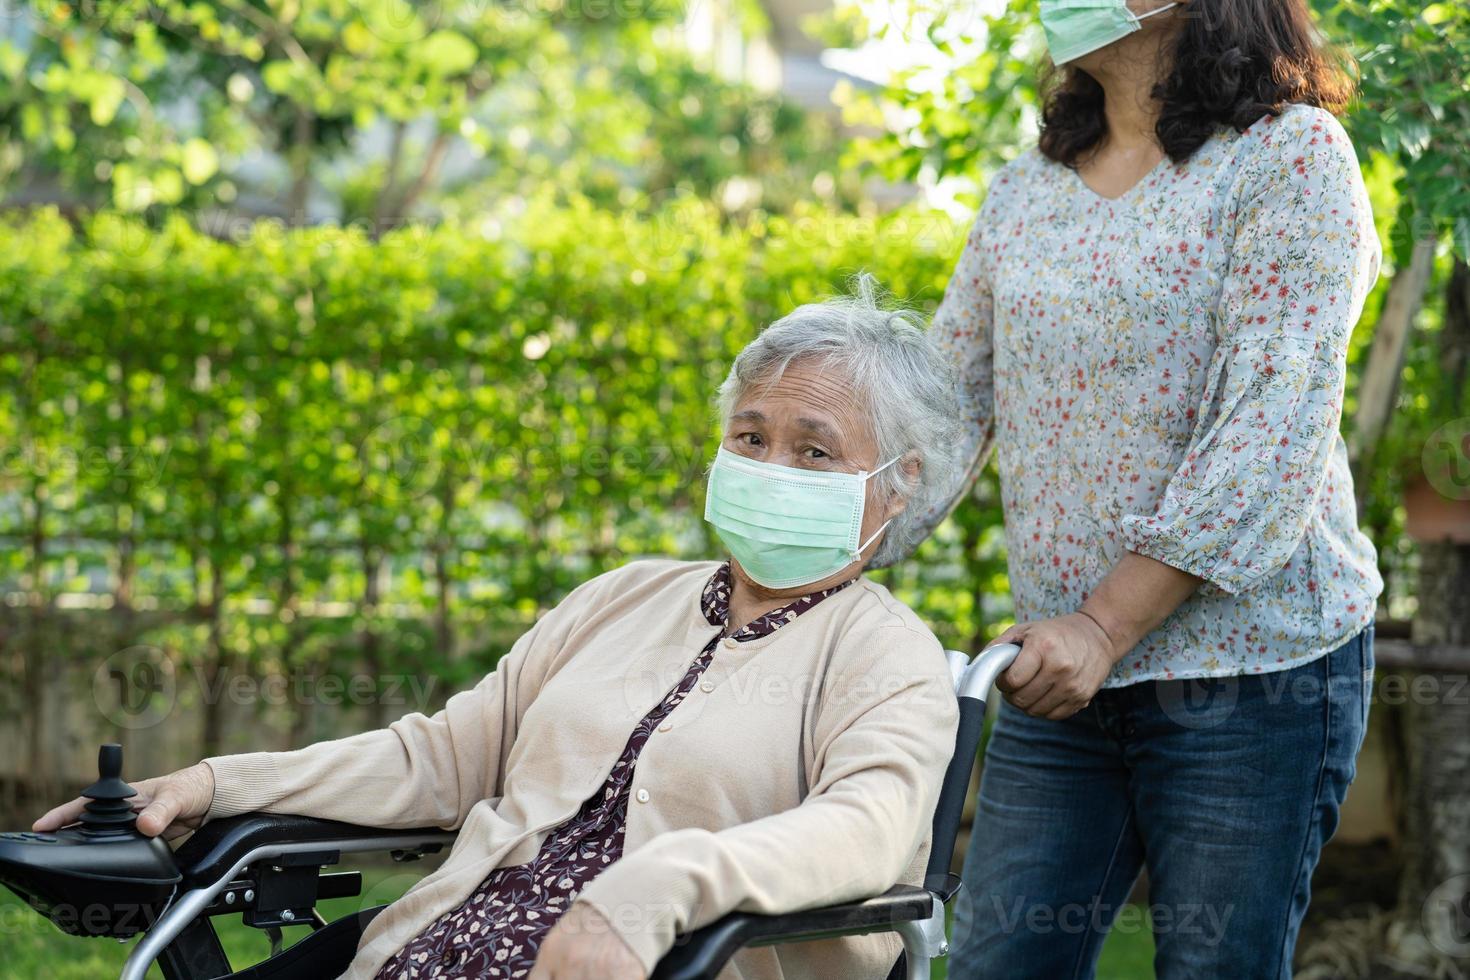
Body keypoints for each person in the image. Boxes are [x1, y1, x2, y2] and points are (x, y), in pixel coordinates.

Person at [36, 281, 964, 980]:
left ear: (900, 480)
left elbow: (866, 830)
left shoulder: (887, 657)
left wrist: (667, 884)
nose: (770, 467)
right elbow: (443, 758)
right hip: (432, 952)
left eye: (814, 449)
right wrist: (217, 783)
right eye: (751, 436)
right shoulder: (625, 598)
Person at [923, 0, 1381, 976]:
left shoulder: (1290, 158)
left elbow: (1268, 427)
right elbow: (940, 409)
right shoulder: (1025, 191)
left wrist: (1105, 623)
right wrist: (804, 544)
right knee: (996, 964)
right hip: (1062, 676)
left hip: (1254, 677)